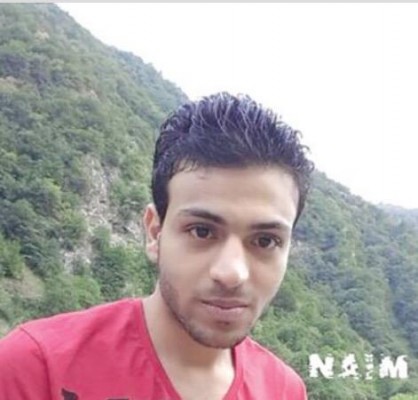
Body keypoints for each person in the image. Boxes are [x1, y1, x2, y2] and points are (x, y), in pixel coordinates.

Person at [0, 92, 314, 399]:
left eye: (265, 241)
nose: (231, 273)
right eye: (202, 231)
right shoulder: (37, 368)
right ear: (155, 232)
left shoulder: (284, 390)